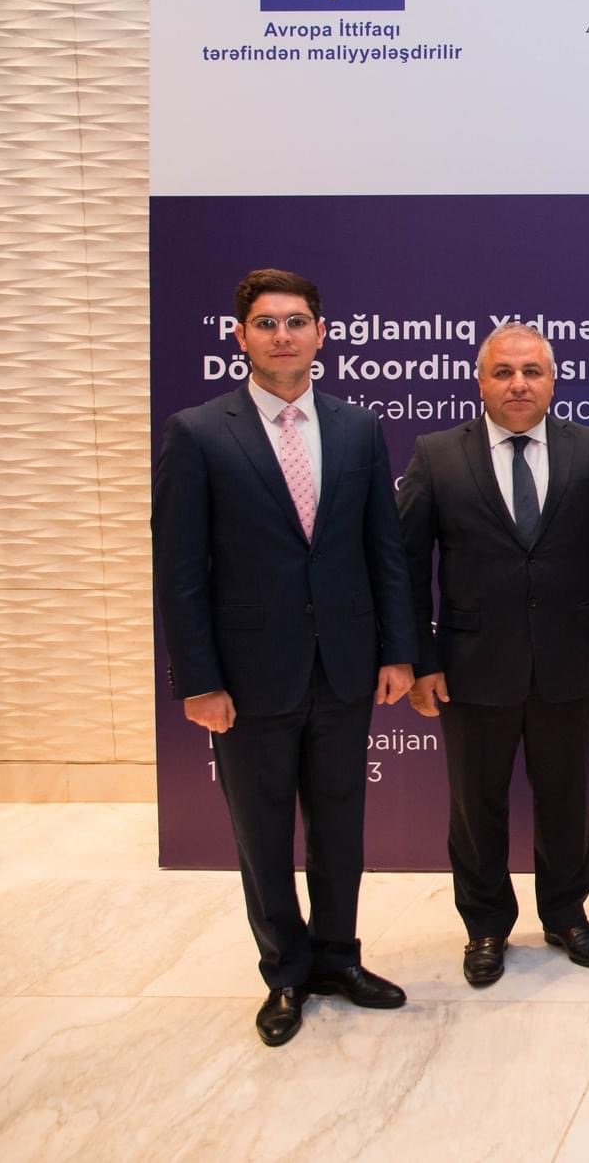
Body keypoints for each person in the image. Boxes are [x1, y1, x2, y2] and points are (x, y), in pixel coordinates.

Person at [153, 268, 416, 1046]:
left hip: (344, 665)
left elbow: (384, 550)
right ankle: (286, 972)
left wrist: (397, 650)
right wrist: (198, 678)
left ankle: (338, 958)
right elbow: (180, 570)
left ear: (320, 334)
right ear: (240, 336)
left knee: (340, 825)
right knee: (263, 834)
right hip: (246, 676)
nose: (282, 335)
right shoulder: (199, 431)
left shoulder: (358, 427)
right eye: (266, 323)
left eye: (296, 321)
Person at [397, 323, 589, 988]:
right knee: (475, 804)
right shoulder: (436, 454)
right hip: (470, 665)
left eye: (531, 371)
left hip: (568, 661)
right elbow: (406, 565)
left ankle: (566, 914)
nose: (518, 384)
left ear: (552, 382)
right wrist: (419, 660)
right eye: (503, 372)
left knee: (565, 797)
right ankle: (485, 924)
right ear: (480, 381)